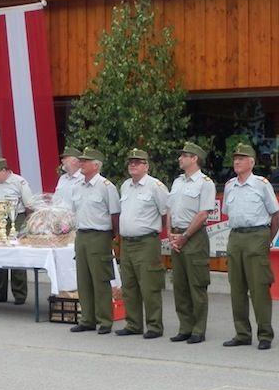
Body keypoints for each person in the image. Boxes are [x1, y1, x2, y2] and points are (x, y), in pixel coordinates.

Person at [221, 142, 279, 350]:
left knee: (259, 288)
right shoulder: (230, 185)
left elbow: (276, 215)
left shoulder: (262, 184)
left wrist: (266, 239)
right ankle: (242, 333)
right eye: (235, 158)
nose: (236, 161)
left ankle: (265, 334)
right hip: (236, 236)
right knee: (237, 287)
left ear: (252, 162)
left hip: (257, 234)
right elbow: (228, 212)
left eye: (241, 158)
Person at [164, 141, 215, 345]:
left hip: (194, 238)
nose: (180, 158)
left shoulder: (205, 183)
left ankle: (198, 329)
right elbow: (169, 209)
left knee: (197, 284)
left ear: (194, 159)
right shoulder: (177, 182)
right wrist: (170, 233)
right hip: (177, 236)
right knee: (180, 285)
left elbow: (203, 214)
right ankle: (185, 326)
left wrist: (184, 235)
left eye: (184, 155)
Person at [116, 148, 170, 338]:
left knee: (149, 285)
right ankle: (133, 323)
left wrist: (152, 230)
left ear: (146, 166)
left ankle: (154, 325)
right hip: (127, 243)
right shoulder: (125, 186)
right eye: (131, 162)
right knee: (129, 286)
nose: (133, 165)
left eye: (138, 162)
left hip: (146, 242)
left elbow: (166, 213)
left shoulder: (156, 186)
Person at [70, 147, 120, 334]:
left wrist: (112, 237)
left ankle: (105, 320)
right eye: (81, 161)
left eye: (85, 161)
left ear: (96, 165)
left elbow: (115, 214)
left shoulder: (107, 187)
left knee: (100, 279)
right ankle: (87, 318)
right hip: (81, 234)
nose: (81, 164)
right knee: (83, 279)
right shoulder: (77, 186)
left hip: (100, 235)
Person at [0, 157, 37, 305]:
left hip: (16, 218)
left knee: (16, 255)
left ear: (4, 170)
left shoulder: (19, 182)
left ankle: (19, 294)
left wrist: (27, 226)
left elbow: (29, 205)